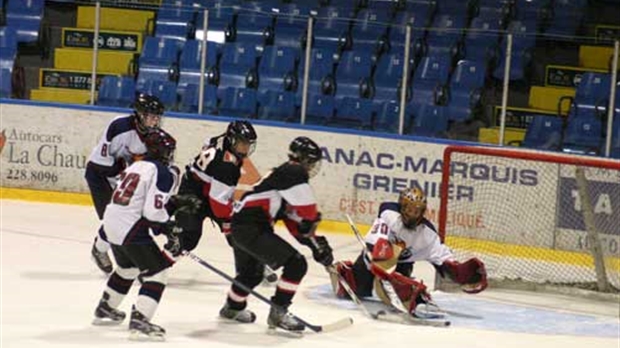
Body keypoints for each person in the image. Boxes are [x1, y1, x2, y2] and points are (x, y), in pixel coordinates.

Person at [219, 136, 334, 333]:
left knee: (251, 273)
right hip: (252, 227)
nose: (312, 167)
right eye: (311, 162)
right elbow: (307, 212)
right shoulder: (293, 171)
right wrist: (314, 232)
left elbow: (293, 221)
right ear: (303, 159)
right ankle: (278, 313)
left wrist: (314, 243)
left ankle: (232, 308)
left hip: (240, 226)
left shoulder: (282, 176)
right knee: (297, 264)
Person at [331, 187, 487, 318]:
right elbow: (375, 245)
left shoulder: (428, 235)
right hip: (372, 261)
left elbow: (445, 261)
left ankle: (417, 299)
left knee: (402, 290)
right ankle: (345, 272)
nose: (412, 214)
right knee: (358, 289)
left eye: (417, 211)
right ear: (401, 206)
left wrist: (462, 273)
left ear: (423, 212)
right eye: (408, 209)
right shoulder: (390, 215)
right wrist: (381, 260)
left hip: (400, 268)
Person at [91, 129, 181, 340]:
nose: (171, 155)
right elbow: (153, 212)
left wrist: (170, 209)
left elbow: (142, 205)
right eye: (169, 151)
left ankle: (106, 307)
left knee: (127, 268)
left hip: (111, 223)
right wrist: (167, 225)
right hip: (129, 228)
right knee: (157, 273)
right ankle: (140, 320)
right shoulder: (161, 171)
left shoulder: (136, 166)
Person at [85, 93, 165, 274]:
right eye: (151, 116)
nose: (155, 121)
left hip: (124, 179)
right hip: (100, 176)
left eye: (157, 117)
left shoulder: (153, 136)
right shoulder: (119, 126)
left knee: (125, 217)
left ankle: (107, 250)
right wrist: (129, 166)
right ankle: (99, 250)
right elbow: (101, 163)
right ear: (139, 115)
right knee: (113, 218)